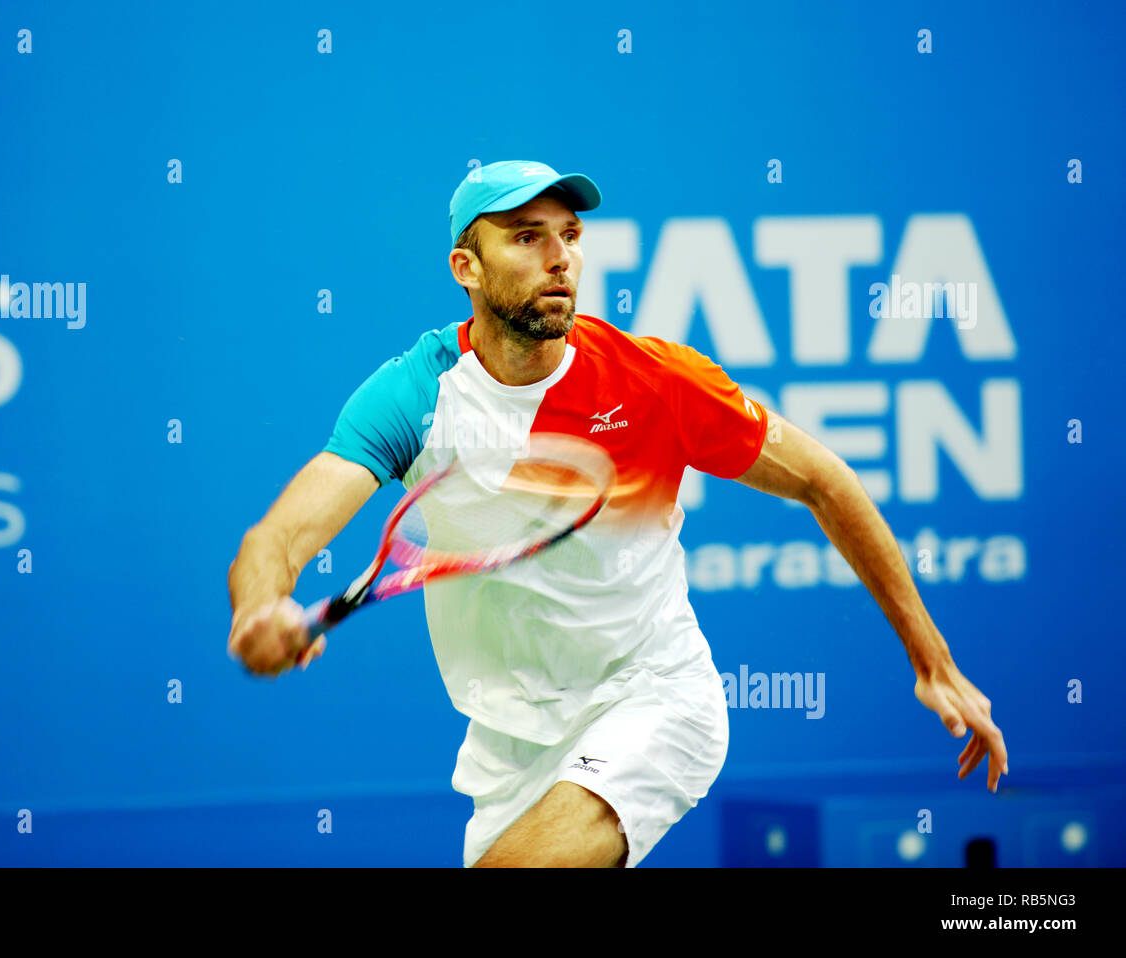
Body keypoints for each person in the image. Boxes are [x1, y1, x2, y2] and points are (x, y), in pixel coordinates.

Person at [226, 160, 1008, 867]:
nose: (559, 257)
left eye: (569, 235)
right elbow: (282, 534)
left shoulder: (653, 381)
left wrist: (932, 661)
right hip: (508, 745)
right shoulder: (417, 395)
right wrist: (259, 606)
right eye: (526, 238)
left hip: (653, 698)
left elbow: (825, 482)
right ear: (466, 267)